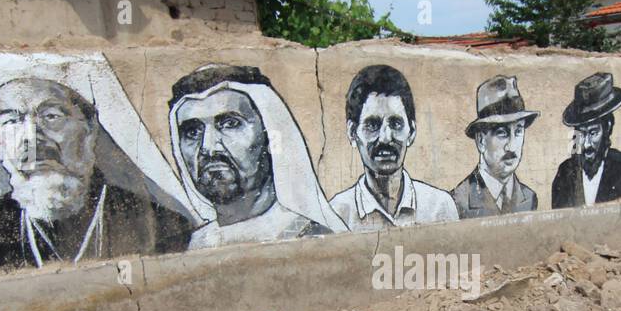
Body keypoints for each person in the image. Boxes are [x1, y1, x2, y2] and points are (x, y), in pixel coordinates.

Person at [0, 77, 189, 271]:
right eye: (11, 121)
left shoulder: (165, 225)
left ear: (89, 129)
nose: (32, 137)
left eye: (51, 116)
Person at [168, 64, 347, 247]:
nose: (209, 147)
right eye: (192, 132)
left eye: (230, 123)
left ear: (269, 137)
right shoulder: (194, 245)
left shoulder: (314, 240)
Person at [329, 64, 458, 231]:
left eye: (396, 124)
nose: (385, 137)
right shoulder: (337, 215)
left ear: (411, 132)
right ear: (353, 133)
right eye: (372, 125)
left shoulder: (439, 208)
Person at [451, 76, 539, 218]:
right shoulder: (457, 202)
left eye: (518, 132)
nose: (511, 146)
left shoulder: (529, 198)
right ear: (481, 140)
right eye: (502, 133)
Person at [551, 72, 621, 208]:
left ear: (607, 128)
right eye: (581, 134)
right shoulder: (565, 173)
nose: (586, 144)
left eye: (593, 133)